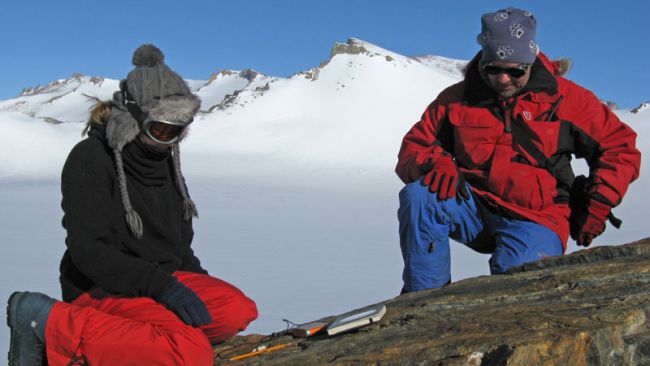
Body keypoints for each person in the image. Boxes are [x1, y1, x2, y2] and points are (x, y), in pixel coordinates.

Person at [7, 44, 258, 365]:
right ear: (133, 116)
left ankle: (127, 339)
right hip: (100, 286)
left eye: (175, 130)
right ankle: (45, 320)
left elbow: (178, 249)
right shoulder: (91, 158)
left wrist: (196, 288)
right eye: (158, 128)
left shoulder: (166, 165)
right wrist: (165, 289)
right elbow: (90, 252)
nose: (166, 139)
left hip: (157, 279)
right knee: (190, 352)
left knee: (235, 310)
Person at [395, 7, 641, 293]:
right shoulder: (457, 99)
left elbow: (619, 147)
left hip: (537, 217)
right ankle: (422, 301)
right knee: (420, 196)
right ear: (483, 60)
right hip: (474, 208)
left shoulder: (566, 99)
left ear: (531, 61)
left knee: (513, 289)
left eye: (515, 71)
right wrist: (433, 163)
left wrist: (599, 203)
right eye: (493, 69)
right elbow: (414, 146)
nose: (503, 79)